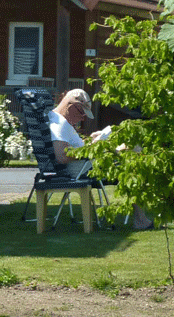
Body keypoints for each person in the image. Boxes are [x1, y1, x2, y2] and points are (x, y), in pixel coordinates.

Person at [49, 88, 154, 230]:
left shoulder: (60, 121)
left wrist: (91, 141)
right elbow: (62, 156)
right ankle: (141, 217)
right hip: (82, 170)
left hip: (85, 165)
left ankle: (141, 216)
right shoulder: (60, 125)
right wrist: (93, 147)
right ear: (71, 106)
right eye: (82, 113)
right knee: (133, 161)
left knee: (132, 149)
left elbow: (70, 148)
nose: (83, 118)